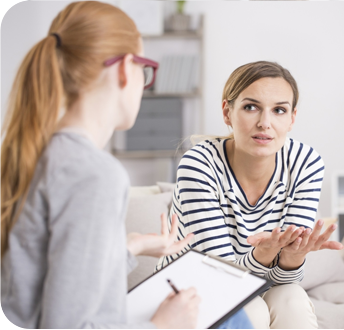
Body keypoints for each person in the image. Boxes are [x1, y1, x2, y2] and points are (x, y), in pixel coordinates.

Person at [0, 1, 203, 328]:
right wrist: (164, 326)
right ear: (126, 68)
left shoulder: (32, 152)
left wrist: (132, 244)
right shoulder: (94, 174)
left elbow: (49, 276)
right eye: (146, 69)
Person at [156, 61, 344, 328]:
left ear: (291, 119)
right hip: (188, 289)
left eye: (279, 110)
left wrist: (293, 258)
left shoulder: (305, 162)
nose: (264, 123)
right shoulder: (199, 164)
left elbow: (285, 280)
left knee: (292, 299)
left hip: (254, 281)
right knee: (251, 310)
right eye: (251, 107)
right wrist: (264, 256)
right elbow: (221, 276)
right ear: (227, 112)